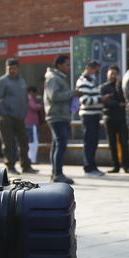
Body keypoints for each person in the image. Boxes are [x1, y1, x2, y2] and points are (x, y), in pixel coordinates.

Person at [0, 58, 37, 176]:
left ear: (18, 69)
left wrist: (25, 110)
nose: (12, 70)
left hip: (20, 117)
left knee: (24, 141)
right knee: (8, 143)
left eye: (14, 68)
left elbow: (25, 98)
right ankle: (10, 166)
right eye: (9, 68)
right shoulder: (2, 81)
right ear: (6, 68)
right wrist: (2, 113)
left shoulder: (21, 81)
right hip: (6, 117)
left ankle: (26, 165)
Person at [44, 54, 75, 184]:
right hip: (56, 116)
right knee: (61, 144)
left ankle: (55, 173)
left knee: (57, 144)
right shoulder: (53, 78)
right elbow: (54, 96)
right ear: (59, 65)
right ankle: (58, 174)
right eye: (67, 65)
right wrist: (72, 93)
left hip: (61, 115)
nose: (69, 67)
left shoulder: (59, 78)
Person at [76, 60, 106, 177]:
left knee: (93, 142)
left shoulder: (90, 81)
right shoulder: (82, 81)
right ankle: (88, 168)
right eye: (96, 69)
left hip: (94, 115)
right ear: (90, 68)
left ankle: (92, 166)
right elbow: (85, 100)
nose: (97, 72)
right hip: (88, 115)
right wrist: (101, 99)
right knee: (89, 142)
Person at [101, 65, 129, 173]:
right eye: (111, 73)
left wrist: (118, 86)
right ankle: (115, 166)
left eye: (115, 74)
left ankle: (126, 166)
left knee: (124, 142)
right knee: (112, 144)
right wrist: (118, 104)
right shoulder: (103, 87)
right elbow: (106, 102)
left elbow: (124, 100)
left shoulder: (121, 87)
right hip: (109, 118)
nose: (113, 76)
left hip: (121, 118)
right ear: (107, 75)